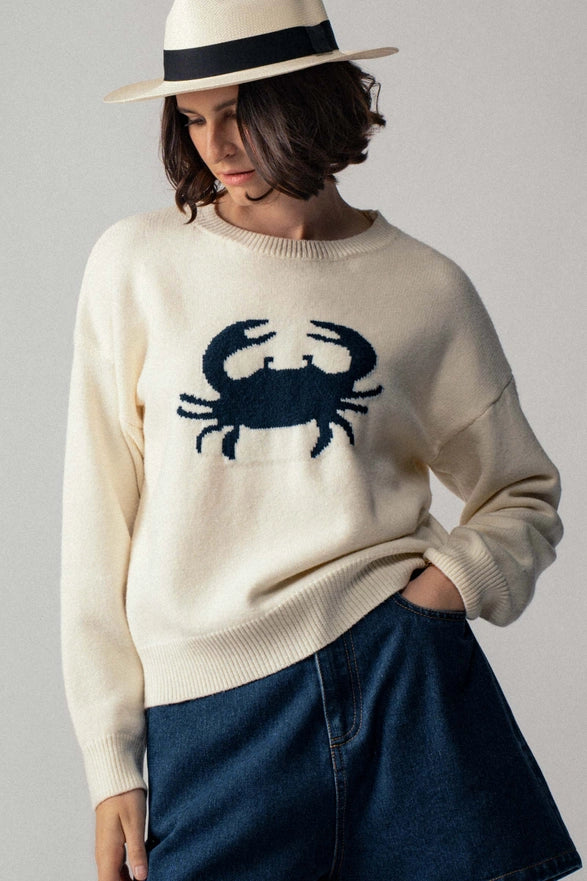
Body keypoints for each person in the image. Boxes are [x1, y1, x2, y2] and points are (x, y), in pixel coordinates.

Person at [60, 1, 582, 880]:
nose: (216, 146)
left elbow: (521, 489)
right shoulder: (136, 264)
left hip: (401, 676)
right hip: (211, 707)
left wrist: (445, 590)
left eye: (239, 113)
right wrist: (110, 757)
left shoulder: (425, 286)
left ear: (308, 101)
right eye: (192, 119)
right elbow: (95, 518)